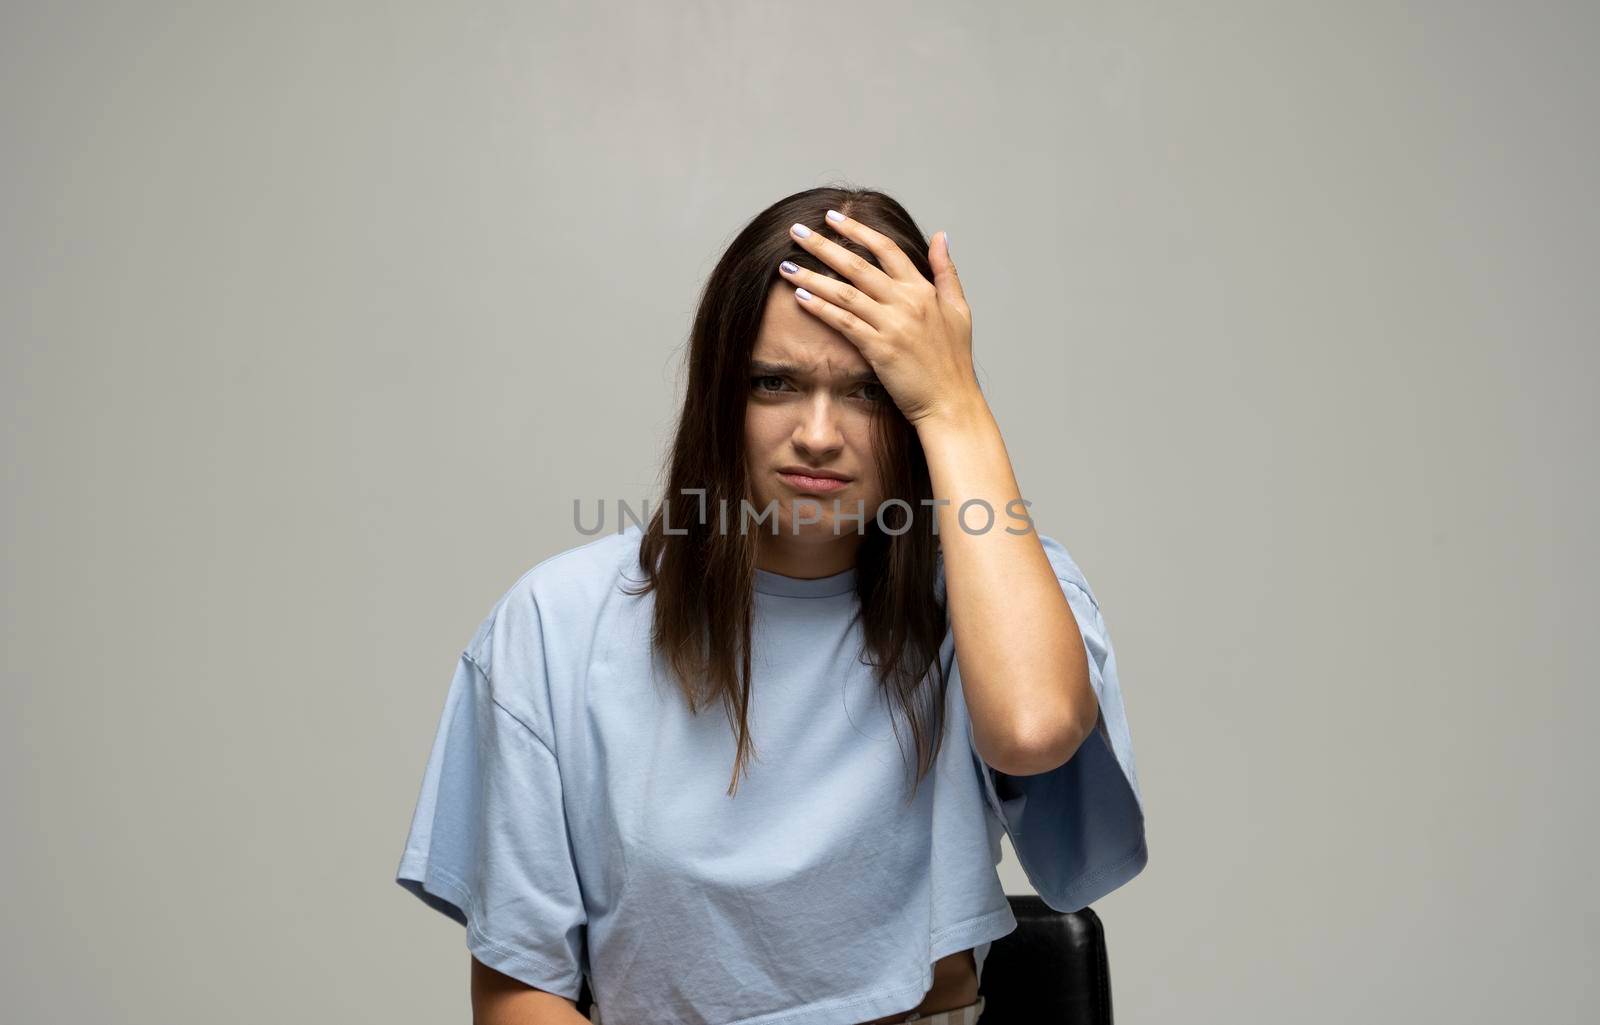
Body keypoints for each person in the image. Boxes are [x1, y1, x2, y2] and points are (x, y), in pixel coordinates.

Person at [395, 187, 1148, 1025]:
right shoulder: (553, 625)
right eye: (774, 382)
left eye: (869, 390)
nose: (819, 434)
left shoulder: (989, 588)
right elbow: (517, 992)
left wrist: (954, 404)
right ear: (721, 396)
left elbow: (1033, 727)